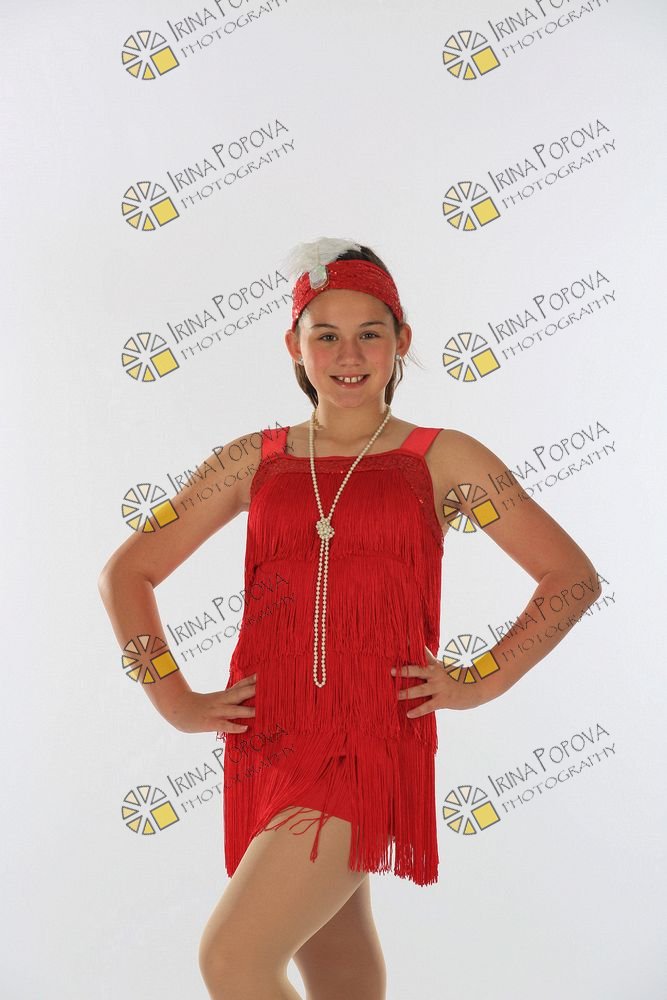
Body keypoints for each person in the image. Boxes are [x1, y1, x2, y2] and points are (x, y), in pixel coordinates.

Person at [98, 237, 602, 1000]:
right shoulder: (251, 460)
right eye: (325, 335)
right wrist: (173, 697)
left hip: (367, 738)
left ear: (401, 340)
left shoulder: (443, 458)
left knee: (233, 960)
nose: (348, 355)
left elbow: (569, 577)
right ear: (294, 347)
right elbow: (125, 573)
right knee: (338, 969)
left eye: (369, 332)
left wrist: (478, 680)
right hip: (268, 738)